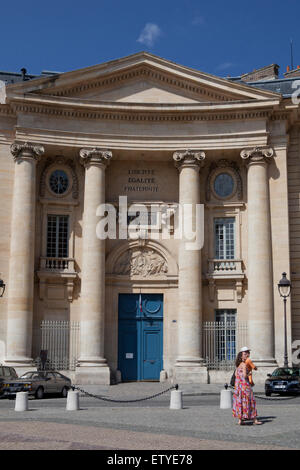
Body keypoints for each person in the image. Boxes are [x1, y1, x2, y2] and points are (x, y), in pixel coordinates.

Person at [232, 347, 262, 425]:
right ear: (241, 356)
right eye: (245, 354)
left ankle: (240, 420)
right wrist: (249, 374)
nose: (247, 355)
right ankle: (254, 420)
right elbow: (245, 375)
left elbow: (235, 375)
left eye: (247, 353)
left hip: (238, 387)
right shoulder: (244, 365)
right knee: (251, 401)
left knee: (240, 402)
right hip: (245, 386)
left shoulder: (238, 365)